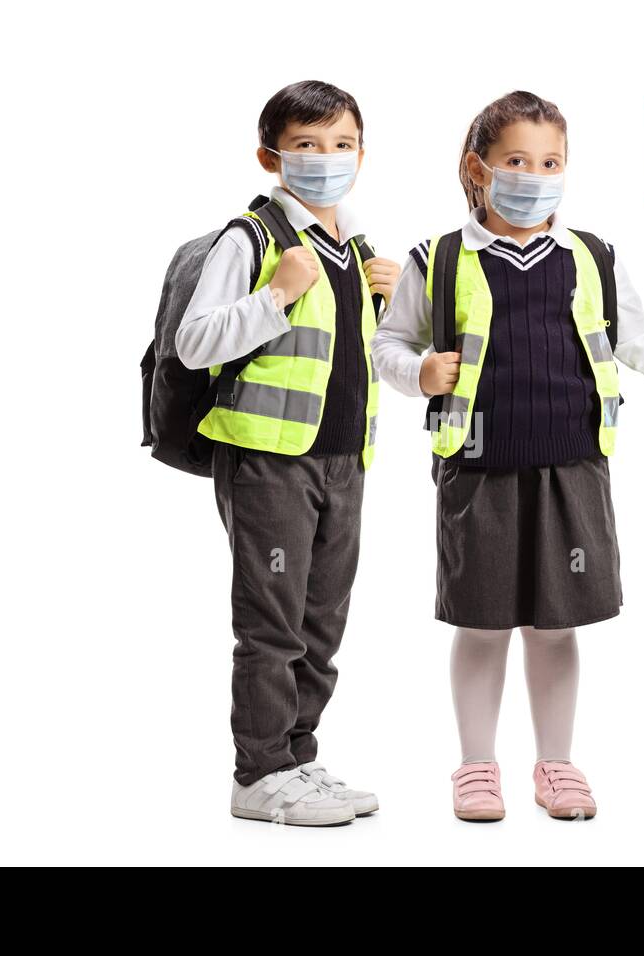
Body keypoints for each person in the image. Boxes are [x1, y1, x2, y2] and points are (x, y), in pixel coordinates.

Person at [371, 90, 644, 821]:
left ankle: (555, 765)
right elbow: (389, 346)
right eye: (517, 161)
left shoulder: (592, 257)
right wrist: (418, 372)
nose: (536, 175)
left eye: (551, 161)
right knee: (484, 620)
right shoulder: (438, 259)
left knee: (556, 624)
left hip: (573, 469)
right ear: (479, 167)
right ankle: (476, 767)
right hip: (479, 470)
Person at [177, 80, 401, 826]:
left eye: (341, 145)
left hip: (344, 461)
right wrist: (275, 294)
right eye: (306, 146)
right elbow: (195, 342)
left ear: (362, 155)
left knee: (321, 624)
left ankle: (298, 759)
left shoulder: (357, 249)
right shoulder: (255, 239)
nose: (325, 159)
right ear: (270, 156)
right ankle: (258, 773)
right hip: (269, 462)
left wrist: (394, 304)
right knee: (271, 625)